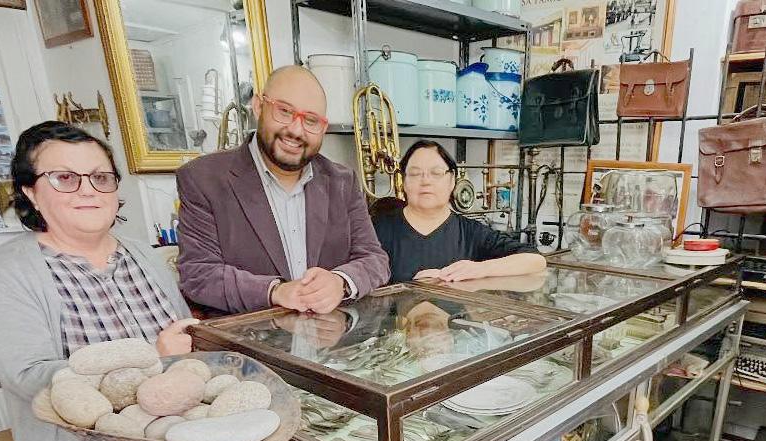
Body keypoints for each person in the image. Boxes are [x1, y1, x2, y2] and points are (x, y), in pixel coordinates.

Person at [0, 121, 194, 441]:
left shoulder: (143, 255)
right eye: (65, 178)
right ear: (31, 192)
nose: (88, 190)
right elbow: (29, 376)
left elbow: (181, 337)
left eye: (100, 177)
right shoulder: (6, 270)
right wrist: (151, 359)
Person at [176, 64, 390, 316]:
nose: (296, 130)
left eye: (311, 120)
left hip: (331, 335)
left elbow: (375, 260)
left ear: (323, 128)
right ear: (259, 106)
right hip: (248, 338)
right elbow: (199, 274)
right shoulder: (204, 179)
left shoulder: (342, 181)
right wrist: (275, 291)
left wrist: (340, 281)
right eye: (285, 111)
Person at [374, 140, 546, 284]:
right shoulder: (376, 230)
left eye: (436, 173)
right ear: (403, 182)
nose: (426, 181)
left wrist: (479, 269)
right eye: (415, 173)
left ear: (452, 181)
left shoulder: (471, 232)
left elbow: (535, 259)